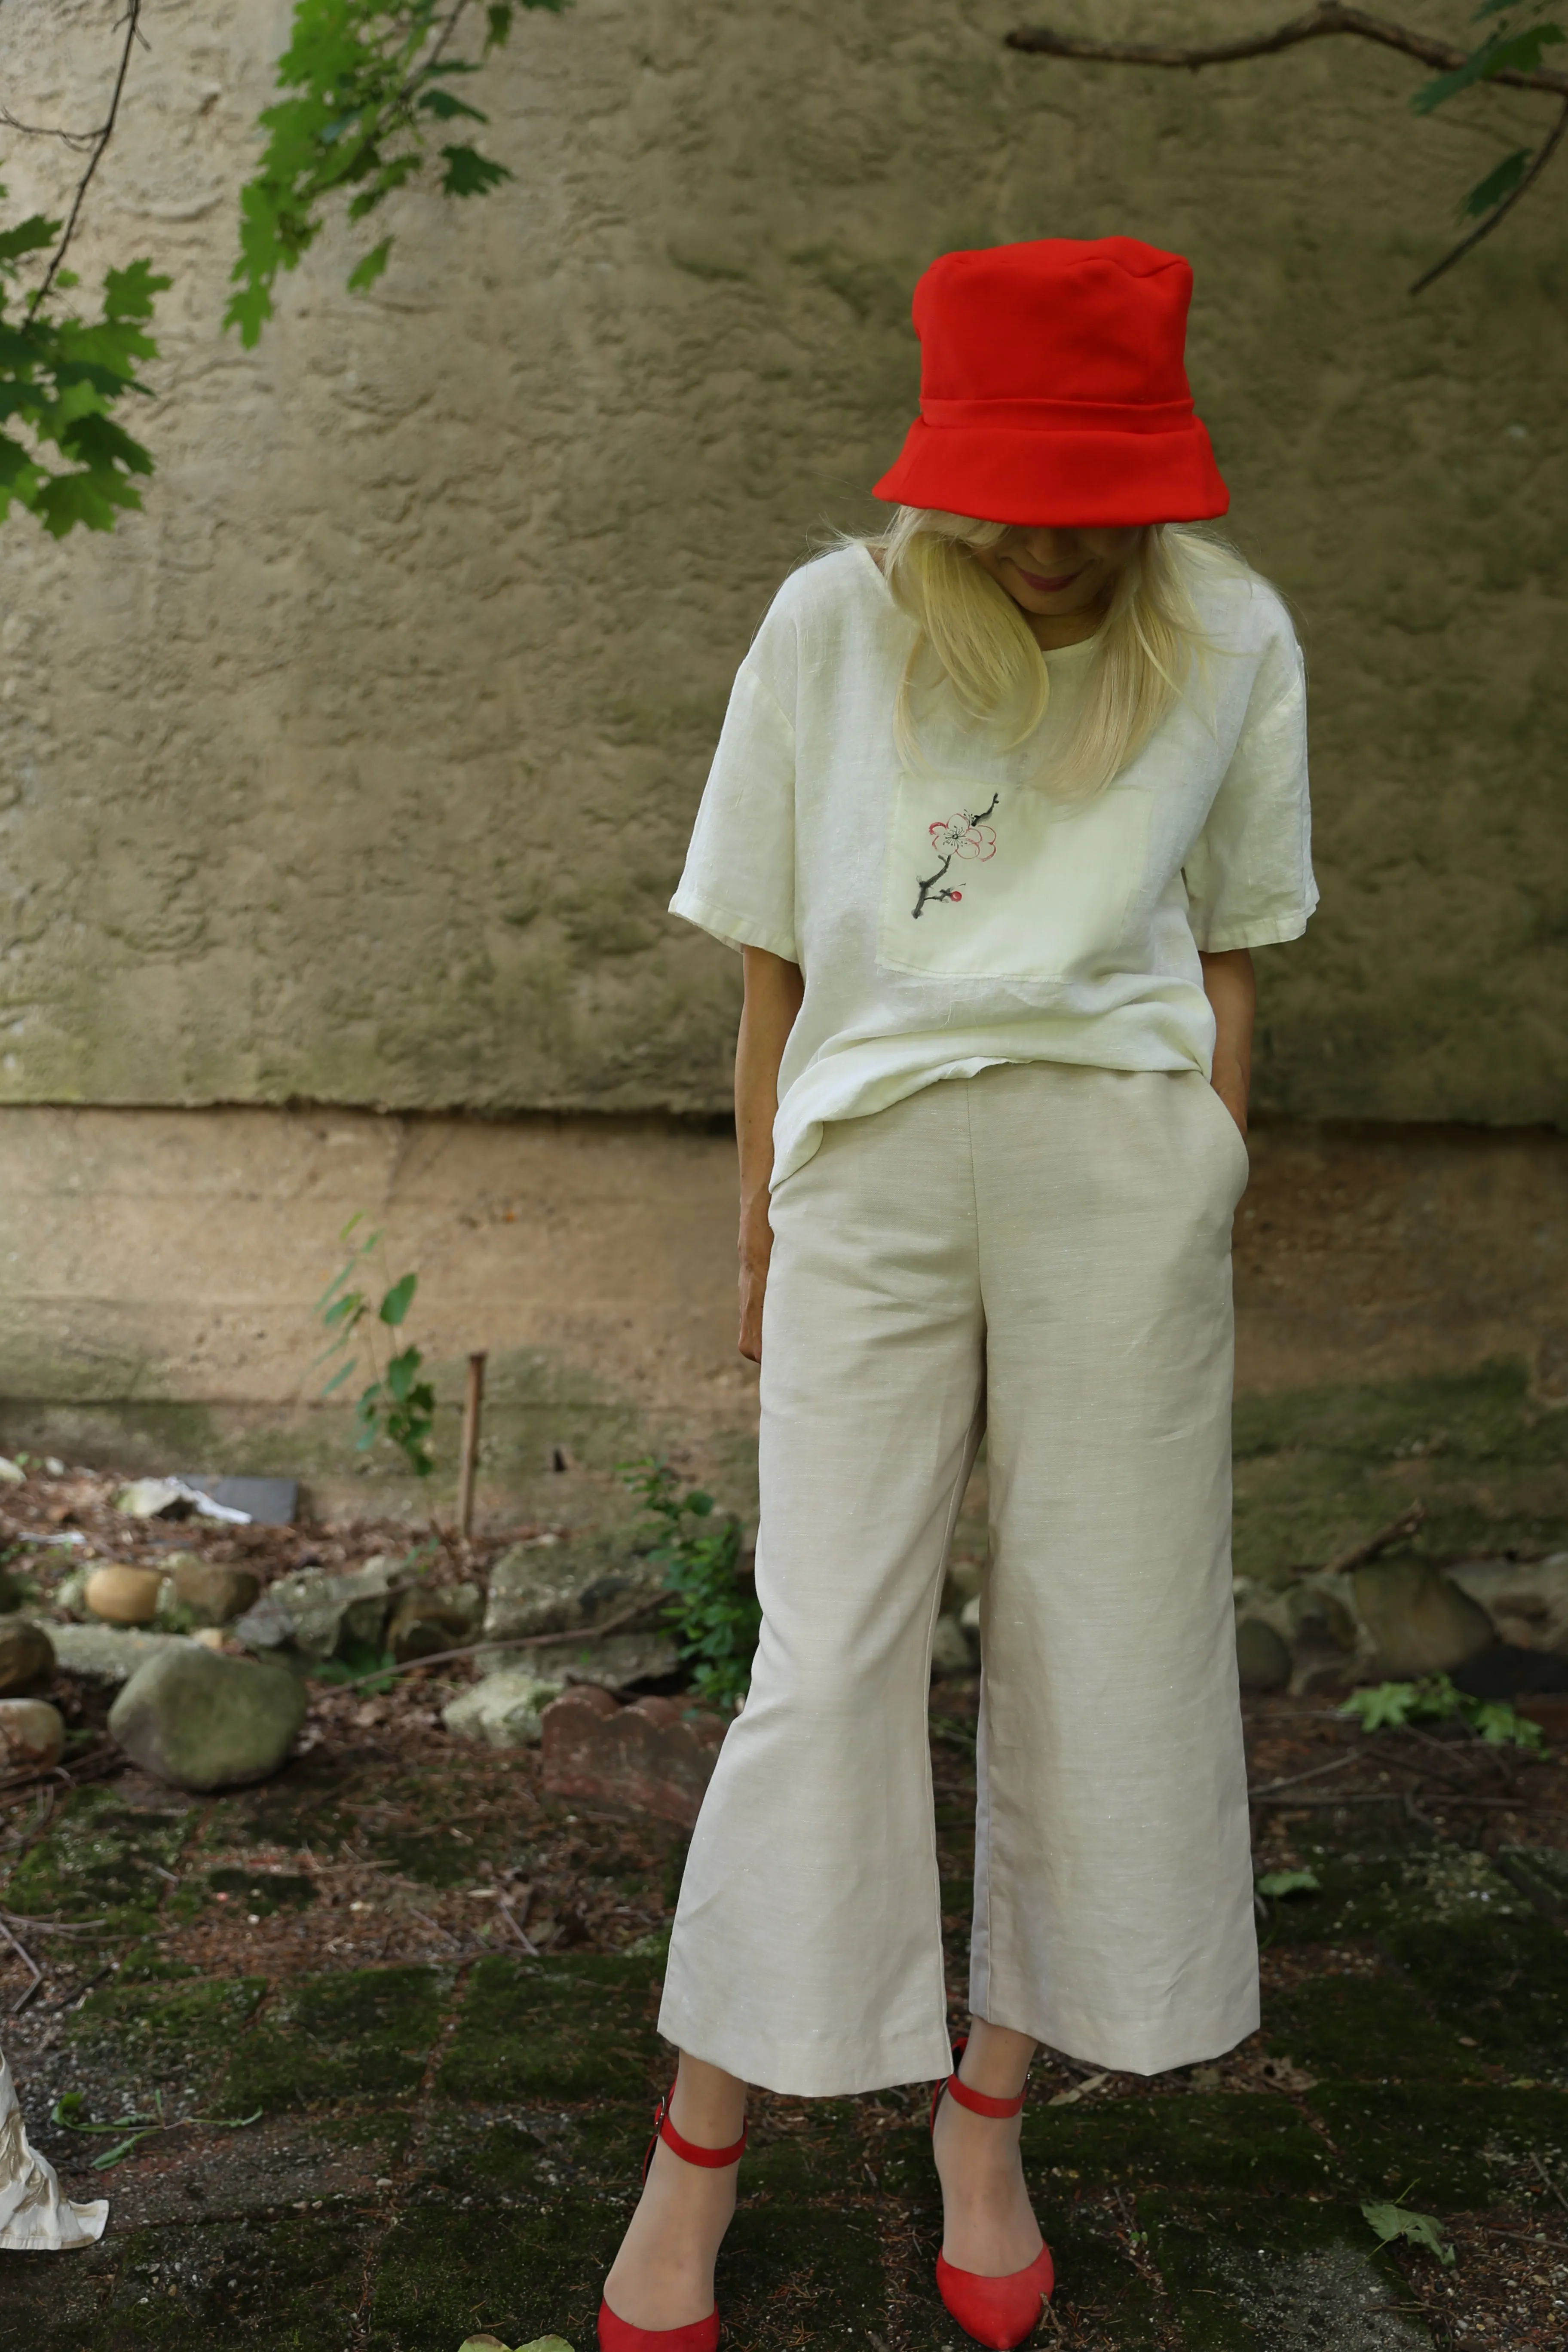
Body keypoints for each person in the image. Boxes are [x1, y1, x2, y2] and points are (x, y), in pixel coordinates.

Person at [598, 235, 1316, 2352]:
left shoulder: (1233, 635)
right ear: (938, 469)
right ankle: (697, 2154)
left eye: (1099, 504)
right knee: (825, 1654)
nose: (1052, 544)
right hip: (875, 1169)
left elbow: (1233, 949)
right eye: (1012, 497)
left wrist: (1211, 1176)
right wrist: (759, 1230)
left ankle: (984, 2123)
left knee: (1106, 1643)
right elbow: (772, 963)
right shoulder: (832, 624)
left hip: (1121, 1169)